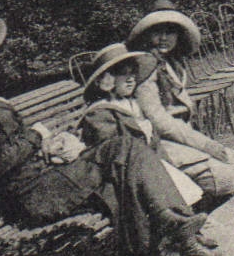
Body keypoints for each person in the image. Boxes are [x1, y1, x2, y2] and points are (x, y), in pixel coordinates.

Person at [0, 14, 216, 256]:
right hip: (31, 198)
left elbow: (5, 152)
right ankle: (173, 230)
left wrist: (49, 145)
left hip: (45, 182)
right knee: (124, 148)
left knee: (126, 171)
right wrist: (36, 135)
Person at [126, 2, 234, 200]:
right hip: (158, 143)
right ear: (146, 35)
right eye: (157, 32)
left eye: (170, 32)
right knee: (229, 177)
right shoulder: (145, 66)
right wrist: (205, 145)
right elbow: (158, 120)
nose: (163, 38)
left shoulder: (173, 63)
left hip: (181, 137)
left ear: (179, 36)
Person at [77, 44, 213, 225]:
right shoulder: (100, 113)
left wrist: (165, 164)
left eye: (133, 73)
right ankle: (183, 229)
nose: (130, 79)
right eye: (123, 74)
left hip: (150, 166)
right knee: (162, 188)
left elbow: (153, 141)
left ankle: (187, 228)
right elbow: (112, 151)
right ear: (106, 80)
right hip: (124, 175)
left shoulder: (133, 105)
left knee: (175, 182)